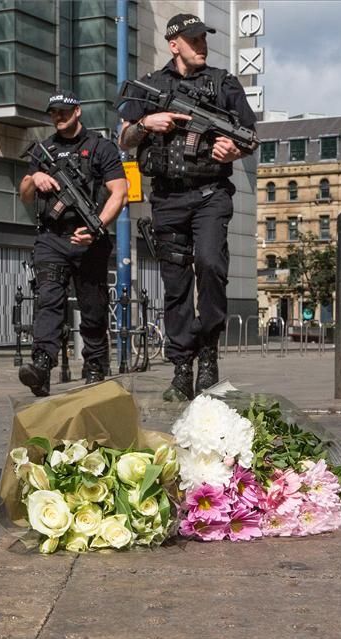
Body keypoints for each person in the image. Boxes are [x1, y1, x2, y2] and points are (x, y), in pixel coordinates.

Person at [117, 13, 257, 402]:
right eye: (193, 39)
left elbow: (250, 138)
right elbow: (125, 138)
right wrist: (147, 122)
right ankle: (182, 367)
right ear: (173, 43)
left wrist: (232, 147)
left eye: (204, 38)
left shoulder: (223, 83)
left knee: (211, 264)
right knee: (176, 284)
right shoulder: (149, 86)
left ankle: (208, 352)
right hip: (167, 198)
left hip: (211, 193)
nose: (201, 44)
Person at [18, 91, 128, 397]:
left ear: (77, 111)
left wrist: (98, 227)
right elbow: (25, 194)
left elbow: (119, 191)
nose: (58, 116)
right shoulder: (43, 150)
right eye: (53, 112)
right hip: (52, 238)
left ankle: (95, 365)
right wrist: (35, 177)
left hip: (90, 239)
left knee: (93, 306)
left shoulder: (100, 148)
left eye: (63, 111)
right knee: (48, 300)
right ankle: (41, 364)